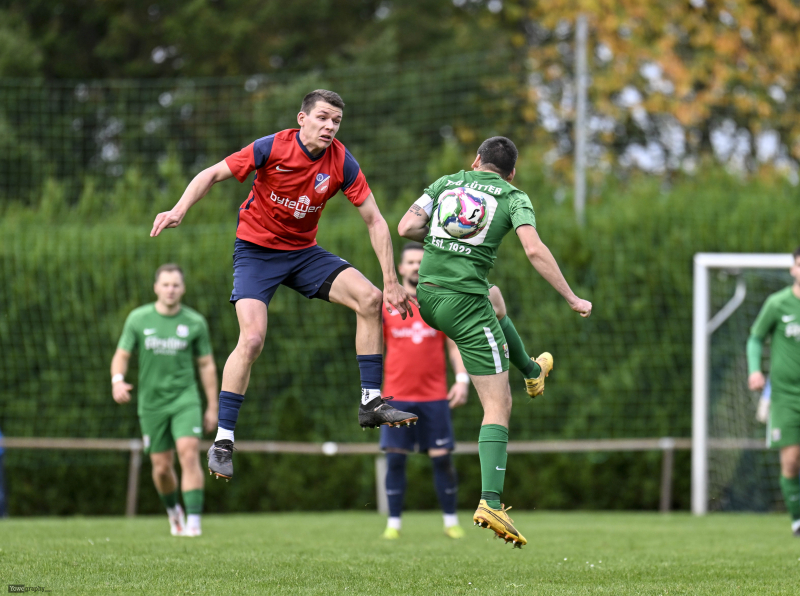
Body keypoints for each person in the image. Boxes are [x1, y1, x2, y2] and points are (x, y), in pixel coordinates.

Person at [150, 89, 417, 482]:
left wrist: (391, 280)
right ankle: (223, 440)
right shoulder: (272, 147)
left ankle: (370, 402)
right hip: (256, 253)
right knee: (253, 339)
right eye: (323, 118)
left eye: (336, 121)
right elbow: (212, 173)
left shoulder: (341, 161)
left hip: (304, 254)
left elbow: (376, 220)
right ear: (302, 119)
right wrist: (178, 209)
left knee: (371, 298)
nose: (329, 127)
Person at [397, 136, 592, 549]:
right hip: (464, 304)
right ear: (512, 172)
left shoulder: (447, 182)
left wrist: (444, 244)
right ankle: (491, 502)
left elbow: (406, 226)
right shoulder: (514, 196)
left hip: (428, 295)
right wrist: (572, 297)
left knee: (497, 297)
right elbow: (534, 250)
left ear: (476, 161)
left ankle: (532, 370)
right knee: (499, 405)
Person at [111, 264, 218, 537]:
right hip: (151, 403)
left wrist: (212, 406)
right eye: (166, 284)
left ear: (183, 289)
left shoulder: (195, 322)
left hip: (185, 399)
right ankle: (174, 512)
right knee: (161, 468)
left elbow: (206, 365)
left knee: (189, 452)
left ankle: (194, 523)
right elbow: (122, 355)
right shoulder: (138, 319)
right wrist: (117, 380)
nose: (171, 290)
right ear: (156, 287)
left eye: (176, 285)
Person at [380, 242, 470, 540]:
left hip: (434, 397)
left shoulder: (440, 303)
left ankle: (450, 521)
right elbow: (373, 348)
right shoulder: (385, 305)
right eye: (411, 261)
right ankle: (393, 525)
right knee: (395, 459)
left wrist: (461, 379)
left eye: (422, 260)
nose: (417, 265)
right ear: (401, 268)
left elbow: (454, 346)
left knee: (442, 458)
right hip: (395, 396)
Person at [747, 246, 800, 537]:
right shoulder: (777, 303)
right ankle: (797, 521)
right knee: (791, 460)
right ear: (793, 269)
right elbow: (755, 339)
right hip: (785, 396)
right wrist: (755, 369)